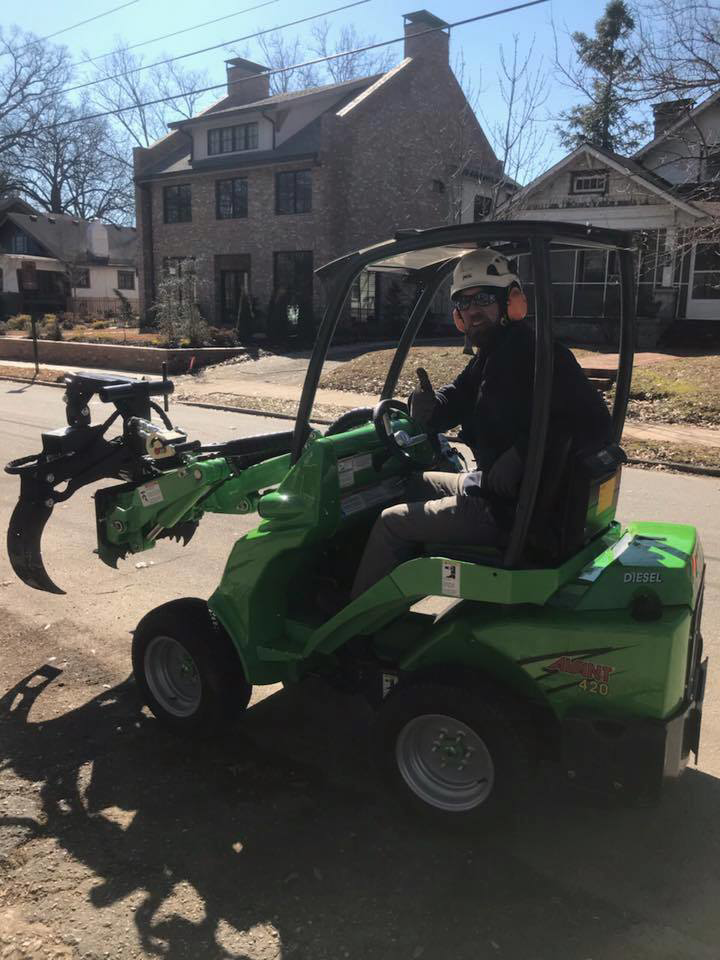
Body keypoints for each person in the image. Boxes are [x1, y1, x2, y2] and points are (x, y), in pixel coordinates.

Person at [350, 248, 614, 599]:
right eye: (464, 302)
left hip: (514, 515)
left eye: (485, 298)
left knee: (390, 524)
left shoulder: (540, 356)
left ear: (512, 301)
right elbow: (456, 398)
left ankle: (357, 635)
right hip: (492, 490)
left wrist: (522, 453)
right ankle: (396, 592)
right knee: (412, 482)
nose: (473, 310)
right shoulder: (493, 354)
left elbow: (596, 425)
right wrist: (429, 406)